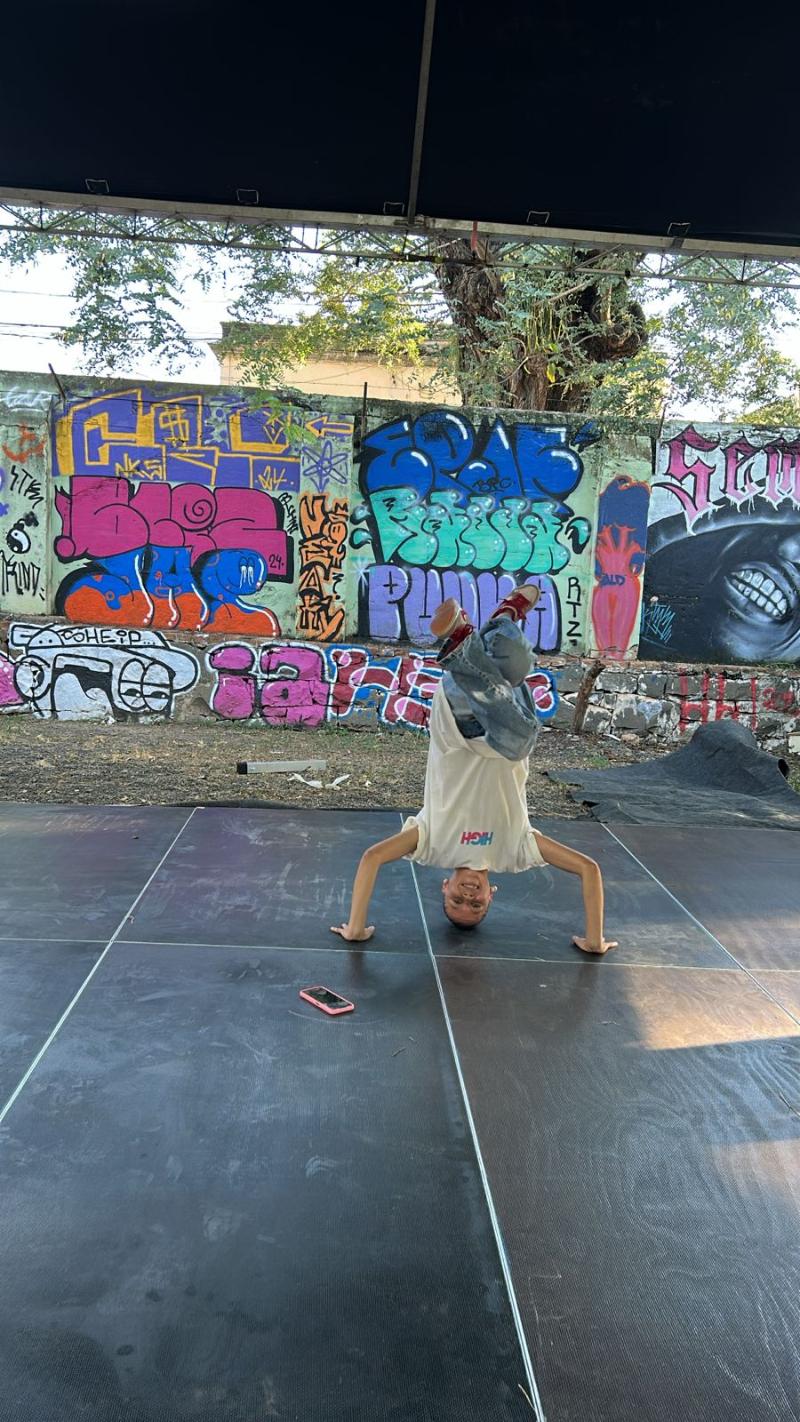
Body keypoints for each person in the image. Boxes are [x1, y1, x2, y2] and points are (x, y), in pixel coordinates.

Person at [331, 586, 618, 954]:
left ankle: (464, 647)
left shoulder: (432, 845)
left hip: (460, 723)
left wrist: (356, 928)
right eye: (476, 905)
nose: (468, 898)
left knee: (523, 738)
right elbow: (588, 868)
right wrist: (594, 941)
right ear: (491, 895)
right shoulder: (515, 851)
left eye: (457, 902)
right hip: (497, 704)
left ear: (444, 888)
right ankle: (499, 619)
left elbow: (372, 857)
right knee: (514, 659)